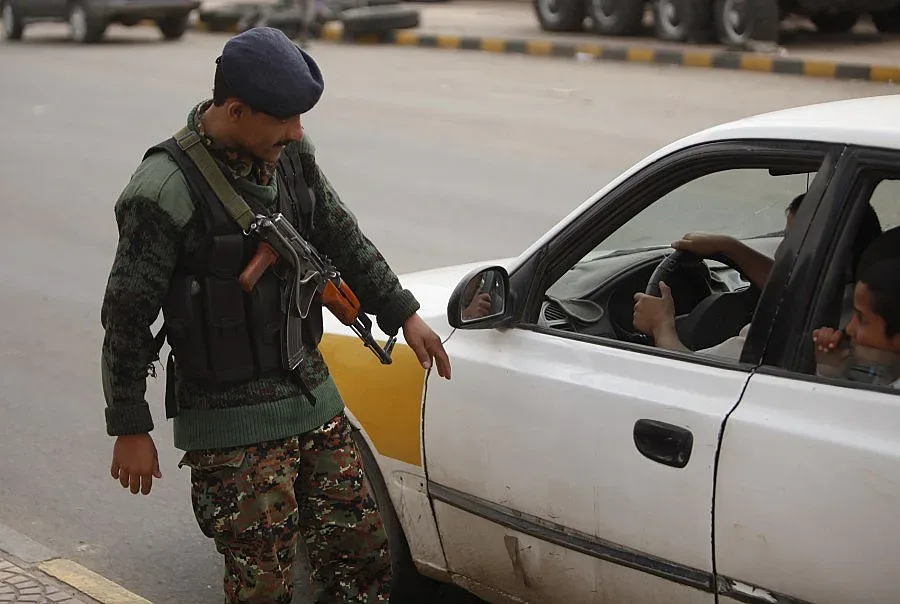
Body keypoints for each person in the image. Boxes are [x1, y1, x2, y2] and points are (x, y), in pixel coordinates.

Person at [99, 28, 451, 604]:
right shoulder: (162, 190)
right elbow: (127, 318)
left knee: (362, 556)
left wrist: (403, 313)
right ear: (235, 110)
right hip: (227, 418)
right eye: (285, 119)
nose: (298, 130)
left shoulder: (292, 158)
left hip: (308, 392)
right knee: (262, 583)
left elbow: (342, 235)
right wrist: (130, 424)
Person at [633, 194, 882, 359]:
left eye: (793, 242)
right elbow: (798, 285)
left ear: (831, 256)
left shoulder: (784, 330)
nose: (781, 250)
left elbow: (690, 372)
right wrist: (731, 247)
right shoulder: (868, 300)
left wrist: (661, 326)